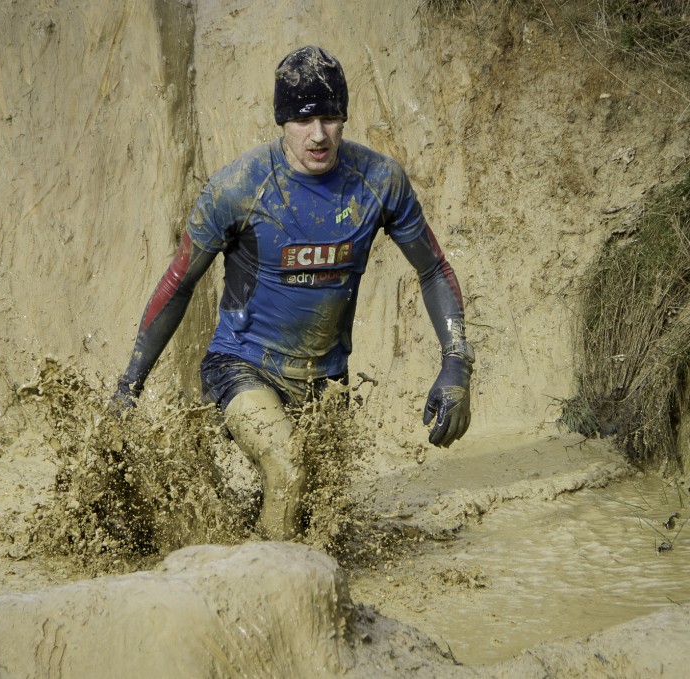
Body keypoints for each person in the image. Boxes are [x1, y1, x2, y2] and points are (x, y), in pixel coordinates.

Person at [115, 45, 474, 540]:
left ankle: (245, 566)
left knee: (308, 517)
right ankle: (271, 604)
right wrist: (128, 386)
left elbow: (433, 269)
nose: (319, 134)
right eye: (304, 120)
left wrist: (456, 362)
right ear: (283, 122)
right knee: (287, 470)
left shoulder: (377, 181)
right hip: (241, 367)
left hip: (325, 387)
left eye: (331, 117)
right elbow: (179, 284)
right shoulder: (239, 187)